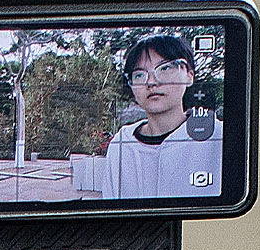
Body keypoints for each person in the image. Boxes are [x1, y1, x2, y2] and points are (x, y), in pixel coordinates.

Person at [91, 34, 223, 201]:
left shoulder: (218, 136)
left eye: (165, 69)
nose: (151, 82)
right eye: (139, 75)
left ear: (189, 75)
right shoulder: (121, 143)